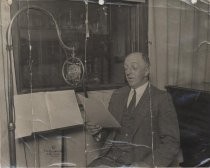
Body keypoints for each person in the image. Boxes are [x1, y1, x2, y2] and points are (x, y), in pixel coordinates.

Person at [87, 52, 180, 167]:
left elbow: (171, 142)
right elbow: (109, 133)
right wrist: (98, 132)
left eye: (134, 67)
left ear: (146, 71)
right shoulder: (118, 95)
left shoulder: (161, 98)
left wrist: (147, 164)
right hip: (109, 160)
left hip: (141, 162)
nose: (128, 72)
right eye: (125, 68)